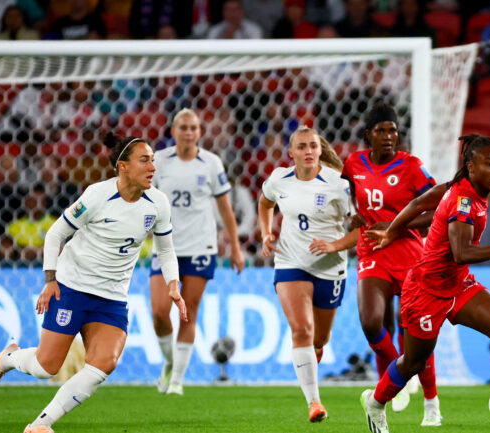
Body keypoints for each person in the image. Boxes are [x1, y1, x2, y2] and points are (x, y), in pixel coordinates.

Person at [0, 133, 187, 433]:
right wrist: (50, 280)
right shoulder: (97, 196)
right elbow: (55, 234)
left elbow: (165, 249)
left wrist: (173, 284)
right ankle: (8, 357)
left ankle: (40, 425)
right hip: (73, 288)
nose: (153, 165)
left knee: (105, 363)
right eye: (145, 160)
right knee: (46, 366)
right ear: (122, 166)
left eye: (153, 159)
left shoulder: (158, 203)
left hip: (113, 296)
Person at [360, 134, 490, 433]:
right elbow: (461, 252)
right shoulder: (463, 199)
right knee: (414, 363)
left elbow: (417, 203)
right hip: (426, 291)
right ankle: (375, 403)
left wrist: (392, 230)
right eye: (489, 163)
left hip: (458, 284)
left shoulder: (459, 188)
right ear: (470, 166)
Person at [340, 100, 441, 425]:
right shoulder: (353, 163)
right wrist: (349, 215)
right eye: (381, 130)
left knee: (417, 332)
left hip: (411, 256)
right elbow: (341, 193)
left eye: (393, 130)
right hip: (373, 253)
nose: (388, 136)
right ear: (368, 134)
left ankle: (431, 404)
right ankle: (402, 370)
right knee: (373, 323)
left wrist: (396, 226)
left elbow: (437, 210)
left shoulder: (411, 166)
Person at [258, 127, 354, 422]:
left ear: (319, 150)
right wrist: (265, 233)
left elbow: (364, 228)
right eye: (302, 147)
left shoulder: (339, 185)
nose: (308, 151)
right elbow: (265, 203)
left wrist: (334, 245)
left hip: (330, 267)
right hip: (290, 261)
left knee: (319, 339)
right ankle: (314, 403)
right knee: (301, 330)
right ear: (292, 153)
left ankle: (314, 353)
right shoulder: (279, 179)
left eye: (313, 146)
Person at [149, 108, 245, 395]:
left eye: (193, 128)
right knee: (159, 312)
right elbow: (146, 200)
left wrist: (236, 248)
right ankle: (170, 362)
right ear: (174, 131)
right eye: (183, 127)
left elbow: (225, 209)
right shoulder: (160, 161)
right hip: (166, 246)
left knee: (187, 312)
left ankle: (177, 379)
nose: (189, 132)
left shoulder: (211, 163)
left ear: (200, 132)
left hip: (201, 246)